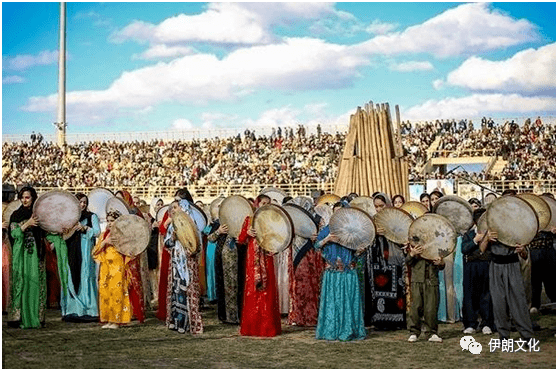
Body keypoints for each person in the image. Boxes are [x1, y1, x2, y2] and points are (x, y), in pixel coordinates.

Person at [315, 202, 366, 341]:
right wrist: (327, 239)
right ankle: (331, 330)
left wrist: (359, 251)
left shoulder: (353, 231)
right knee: (333, 303)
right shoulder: (327, 230)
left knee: (348, 302)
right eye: (336, 212)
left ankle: (349, 329)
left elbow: (357, 253)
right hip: (332, 273)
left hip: (348, 272)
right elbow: (316, 246)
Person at [238, 195, 282, 337]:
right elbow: (240, 239)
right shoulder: (249, 219)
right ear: (257, 204)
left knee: (267, 289)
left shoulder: (272, 220)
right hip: (253, 259)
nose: (265, 205)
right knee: (253, 290)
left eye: (268, 203)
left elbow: (279, 238)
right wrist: (247, 233)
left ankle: (267, 327)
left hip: (267, 258)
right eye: (263, 203)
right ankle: (252, 327)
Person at [363, 194, 407, 330]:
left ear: (387, 204)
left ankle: (397, 320)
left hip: (394, 258)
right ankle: (380, 320)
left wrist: (389, 232)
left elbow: (402, 236)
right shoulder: (372, 221)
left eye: (381, 206)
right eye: (376, 206)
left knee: (396, 290)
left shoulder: (395, 218)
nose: (378, 209)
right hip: (377, 260)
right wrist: (374, 233)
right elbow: (366, 240)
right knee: (378, 291)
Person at [7, 186, 46, 329]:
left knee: (35, 282)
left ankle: (36, 315)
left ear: (33, 198)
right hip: (21, 255)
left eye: (27, 197)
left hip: (36, 254)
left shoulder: (39, 215)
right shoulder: (16, 215)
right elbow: (14, 234)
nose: (24, 200)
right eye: (22, 197)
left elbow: (46, 232)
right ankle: (20, 317)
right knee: (22, 282)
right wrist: (26, 225)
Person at [164, 199, 205, 334]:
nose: (173, 210)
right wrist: (173, 239)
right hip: (176, 261)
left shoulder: (192, 223)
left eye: (176, 207)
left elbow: (196, 246)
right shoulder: (172, 226)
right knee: (177, 291)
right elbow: (167, 244)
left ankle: (190, 323)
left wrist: (188, 250)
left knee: (188, 290)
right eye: (172, 208)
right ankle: (177, 322)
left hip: (188, 263)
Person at [485, 228, 534, 340]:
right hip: (496, 265)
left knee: (519, 302)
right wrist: (487, 239)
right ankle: (503, 336)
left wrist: (522, 250)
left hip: (513, 264)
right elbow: (482, 248)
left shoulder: (515, 224)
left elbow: (525, 254)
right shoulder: (490, 223)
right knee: (499, 303)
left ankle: (527, 336)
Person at [62, 193, 101, 322]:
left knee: (86, 276)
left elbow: (97, 232)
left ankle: (88, 309)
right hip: (71, 250)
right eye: (80, 202)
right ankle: (73, 309)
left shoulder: (91, 216)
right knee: (72, 276)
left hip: (85, 252)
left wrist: (85, 228)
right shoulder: (69, 217)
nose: (82, 204)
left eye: (84, 202)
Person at [93, 210, 131, 329]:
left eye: (112, 221)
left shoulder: (122, 235)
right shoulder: (104, 234)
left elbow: (130, 251)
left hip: (117, 266)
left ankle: (117, 320)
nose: (109, 223)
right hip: (105, 267)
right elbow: (94, 251)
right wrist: (104, 242)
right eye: (108, 221)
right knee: (105, 292)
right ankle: (108, 319)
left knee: (117, 292)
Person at [461, 208, 495, 334]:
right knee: (470, 295)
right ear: (475, 222)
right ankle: (470, 324)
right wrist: (476, 240)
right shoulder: (468, 234)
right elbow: (464, 249)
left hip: (486, 265)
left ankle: (487, 323)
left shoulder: (492, 234)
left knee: (486, 294)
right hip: (471, 267)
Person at [406, 243, 445, 343]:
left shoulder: (436, 243)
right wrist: (412, 253)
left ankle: (431, 332)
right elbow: (408, 261)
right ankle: (414, 332)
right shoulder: (414, 243)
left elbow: (442, 265)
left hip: (431, 279)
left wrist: (440, 263)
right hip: (417, 279)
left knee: (431, 307)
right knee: (415, 307)